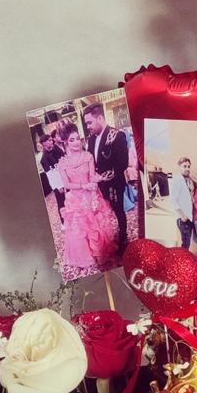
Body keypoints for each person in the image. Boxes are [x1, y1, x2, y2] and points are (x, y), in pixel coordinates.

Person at [58, 123, 118, 273]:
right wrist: (84, 186)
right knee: (80, 229)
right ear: (66, 142)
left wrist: (97, 181)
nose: (77, 142)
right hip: (76, 199)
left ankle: (99, 253)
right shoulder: (63, 163)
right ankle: (86, 256)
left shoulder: (88, 156)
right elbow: (67, 184)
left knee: (96, 225)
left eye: (78, 138)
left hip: (91, 195)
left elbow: (92, 176)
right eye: (72, 140)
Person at [83, 102, 131, 255]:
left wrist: (101, 177)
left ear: (100, 118)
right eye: (86, 124)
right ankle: (106, 240)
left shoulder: (116, 135)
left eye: (89, 122)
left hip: (114, 184)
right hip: (98, 185)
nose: (88, 127)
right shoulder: (91, 139)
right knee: (102, 213)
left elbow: (122, 164)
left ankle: (123, 238)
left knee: (118, 211)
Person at [35, 129, 65, 219]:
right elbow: (51, 176)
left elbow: (64, 157)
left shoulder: (56, 149)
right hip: (57, 184)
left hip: (65, 178)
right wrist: (59, 186)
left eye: (51, 139)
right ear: (44, 143)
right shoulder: (43, 159)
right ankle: (63, 221)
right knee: (61, 202)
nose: (52, 141)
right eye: (49, 140)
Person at [169, 155, 195, 250]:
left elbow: (187, 199)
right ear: (179, 167)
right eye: (184, 166)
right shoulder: (177, 181)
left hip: (189, 217)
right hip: (182, 218)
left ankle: (183, 258)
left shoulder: (187, 181)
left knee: (187, 243)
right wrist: (183, 215)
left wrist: (191, 191)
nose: (187, 168)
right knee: (185, 244)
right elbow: (172, 200)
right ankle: (181, 259)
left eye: (188, 166)